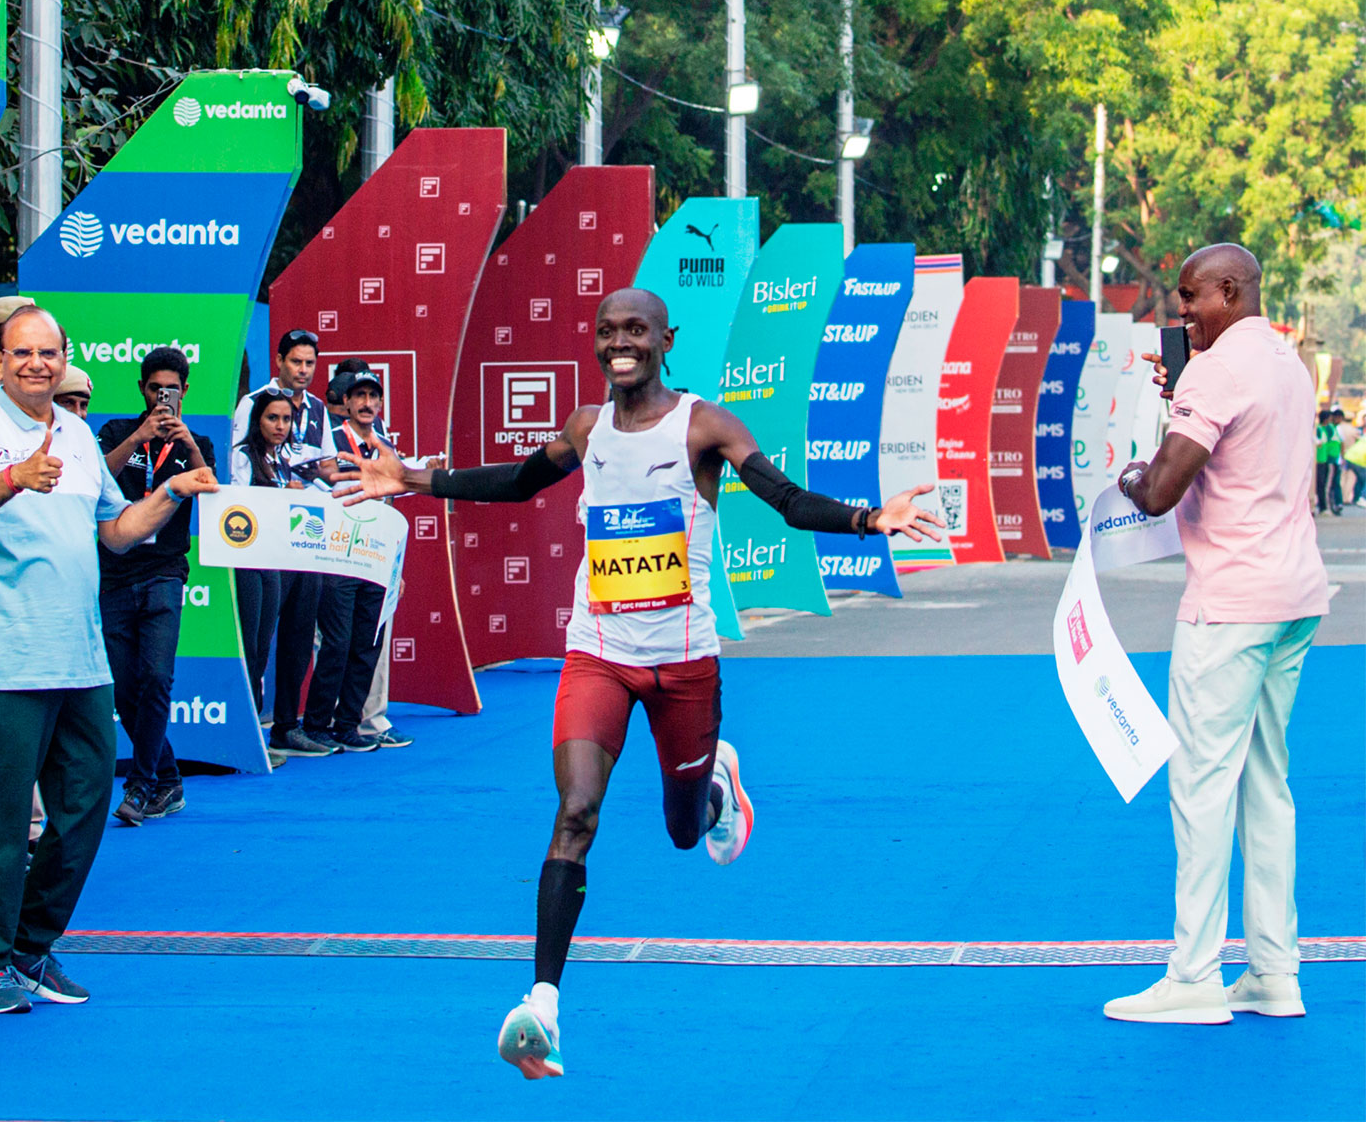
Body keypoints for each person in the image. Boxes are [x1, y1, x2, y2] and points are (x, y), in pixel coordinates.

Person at [338, 287, 942, 1077]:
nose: (620, 343)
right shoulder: (587, 430)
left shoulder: (704, 425)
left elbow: (786, 501)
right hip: (599, 652)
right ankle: (543, 1006)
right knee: (576, 812)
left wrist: (870, 519)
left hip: (685, 662)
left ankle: (718, 780)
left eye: (636, 331)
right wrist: (415, 480)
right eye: (607, 331)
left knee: (684, 831)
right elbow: (519, 482)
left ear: (665, 340)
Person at [0, 305, 218, 1014]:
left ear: (63, 358)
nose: (37, 363)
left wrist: (173, 493)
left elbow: (117, 531)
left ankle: (31, 947)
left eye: (49, 352)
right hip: (5, 658)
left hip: (80, 656)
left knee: (88, 806)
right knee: (0, 819)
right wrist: (14, 479)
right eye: (22, 353)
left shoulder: (78, 435)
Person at [1105, 244, 1328, 1025]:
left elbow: (1162, 490)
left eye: (1192, 296)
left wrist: (1131, 474)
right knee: (1266, 788)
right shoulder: (1285, 362)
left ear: (1230, 291)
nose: (1182, 312)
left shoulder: (1214, 371)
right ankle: (1274, 971)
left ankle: (1195, 977)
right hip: (1295, 597)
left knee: (1201, 788)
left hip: (1230, 605)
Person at [97, 346, 215, 824]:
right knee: (125, 687)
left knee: (158, 678)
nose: (162, 398)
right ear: (142, 390)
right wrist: (140, 436)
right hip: (116, 571)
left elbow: (214, 493)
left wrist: (186, 447)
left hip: (165, 573)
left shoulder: (198, 444)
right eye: (154, 389)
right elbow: (96, 478)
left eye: (172, 389)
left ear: (185, 391)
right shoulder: (116, 432)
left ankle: (142, 785)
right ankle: (167, 777)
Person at [234, 329, 339, 758]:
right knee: (257, 639)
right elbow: (240, 465)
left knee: (299, 634)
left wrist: (309, 478)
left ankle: (287, 725)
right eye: (296, 362)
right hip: (261, 545)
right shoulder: (253, 403)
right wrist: (286, 487)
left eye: (310, 364)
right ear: (279, 360)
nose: (303, 371)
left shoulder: (315, 409)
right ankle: (251, 725)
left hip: (305, 538)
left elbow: (328, 467)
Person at [301, 371, 396, 752]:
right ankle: (317, 723)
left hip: (375, 556)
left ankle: (347, 724)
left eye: (374, 396)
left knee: (367, 643)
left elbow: (391, 501)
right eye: (360, 396)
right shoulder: (331, 439)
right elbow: (316, 484)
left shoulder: (386, 446)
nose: (368, 404)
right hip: (339, 555)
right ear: (347, 402)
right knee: (336, 643)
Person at [1314, 408, 1342, 516]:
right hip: (1321, 461)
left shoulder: (1328, 428)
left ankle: (1326, 506)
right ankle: (1324, 507)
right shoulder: (1320, 429)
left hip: (1325, 460)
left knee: (1326, 484)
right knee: (1324, 485)